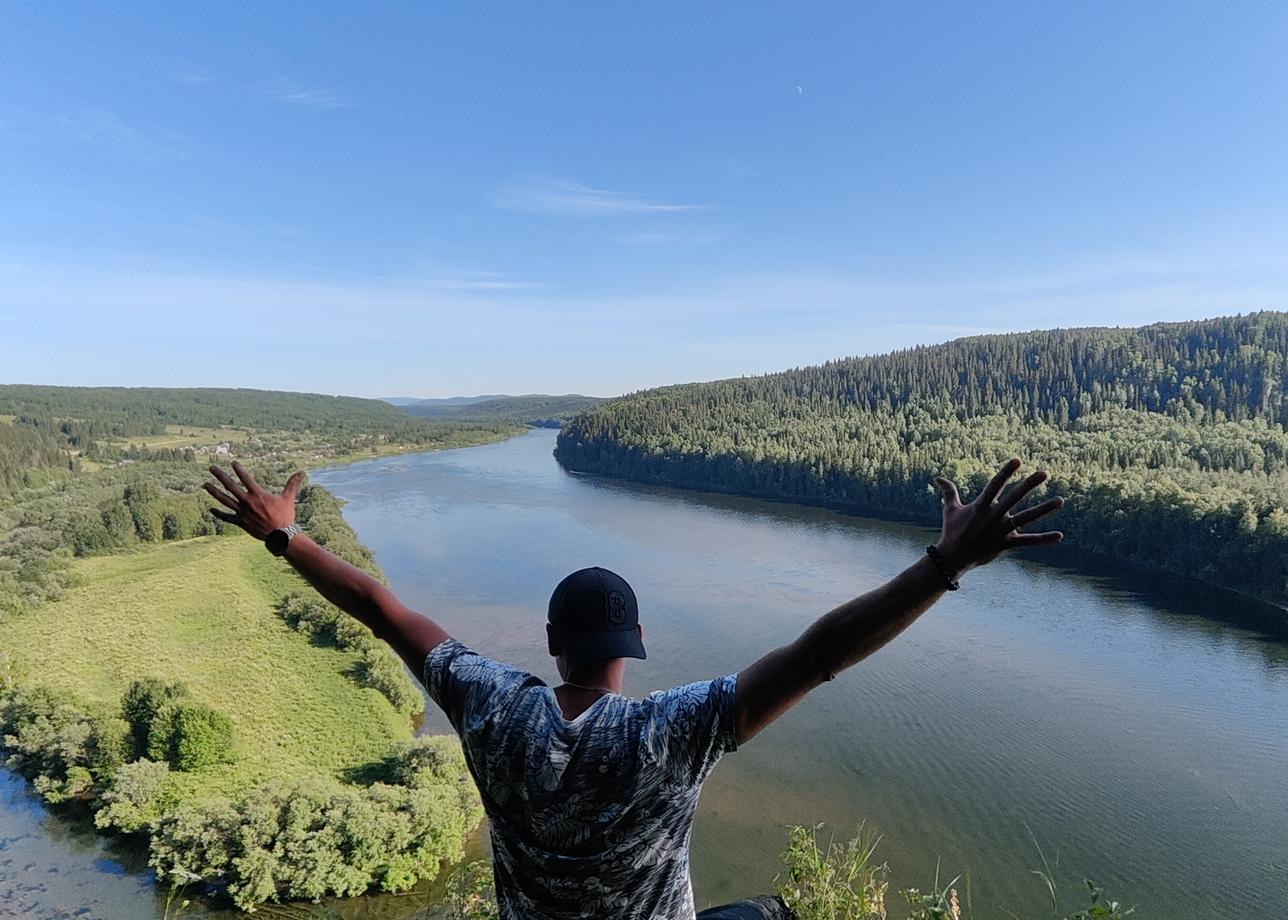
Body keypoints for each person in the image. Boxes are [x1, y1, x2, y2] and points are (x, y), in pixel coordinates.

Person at [204, 457, 1062, 920]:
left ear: (550, 642)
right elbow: (817, 655)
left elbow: (388, 614)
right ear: (638, 643)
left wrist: (288, 540)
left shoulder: (489, 703)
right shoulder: (671, 731)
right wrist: (945, 564)